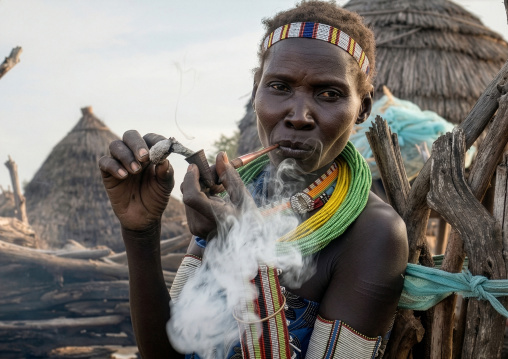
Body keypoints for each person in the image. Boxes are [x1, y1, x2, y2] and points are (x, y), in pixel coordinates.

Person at [99, 1, 408, 358]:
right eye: (279, 87)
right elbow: (166, 354)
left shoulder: (374, 234)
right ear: (255, 90)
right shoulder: (232, 194)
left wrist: (247, 256)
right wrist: (140, 232)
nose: (299, 115)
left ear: (364, 108)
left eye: (329, 94)